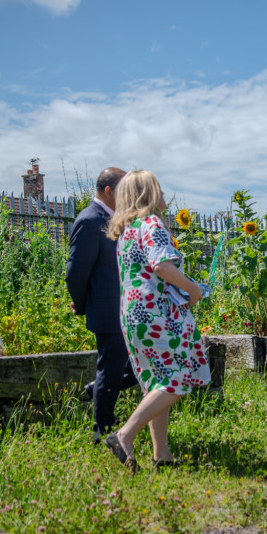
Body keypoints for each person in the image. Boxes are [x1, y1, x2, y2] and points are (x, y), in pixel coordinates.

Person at [103, 170, 211, 471]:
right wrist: (192, 289)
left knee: (159, 381)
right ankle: (124, 435)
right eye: (159, 188)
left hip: (134, 314)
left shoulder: (128, 230)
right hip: (156, 312)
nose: (164, 194)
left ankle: (162, 455)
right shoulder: (151, 224)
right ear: (147, 193)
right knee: (177, 379)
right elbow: (161, 265)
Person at [65, 167, 137, 445]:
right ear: (109, 191)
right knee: (111, 368)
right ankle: (102, 431)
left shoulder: (112, 219)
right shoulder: (89, 220)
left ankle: (98, 390)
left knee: (130, 367)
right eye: (123, 192)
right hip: (107, 310)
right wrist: (83, 305)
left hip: (123, 308)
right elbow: (76, 273)